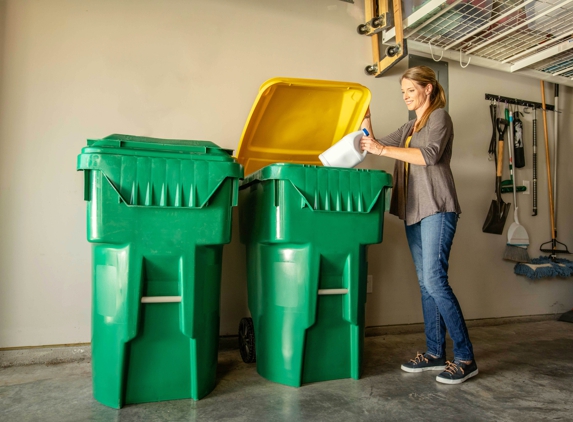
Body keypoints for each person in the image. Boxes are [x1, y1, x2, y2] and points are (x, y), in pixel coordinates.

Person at [360, 66, 478, 385]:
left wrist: (383, 149)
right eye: (402, 92)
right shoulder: (410, 126)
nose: (406, 97)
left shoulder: (440, 117)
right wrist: (365, 116)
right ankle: (435, 352)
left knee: (435, 281)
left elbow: (429, 156)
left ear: (427, 89)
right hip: (414, 212)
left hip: (437, 207)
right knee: (426, 284)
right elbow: (374, 144)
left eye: (410, 90)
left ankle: (465, 357)